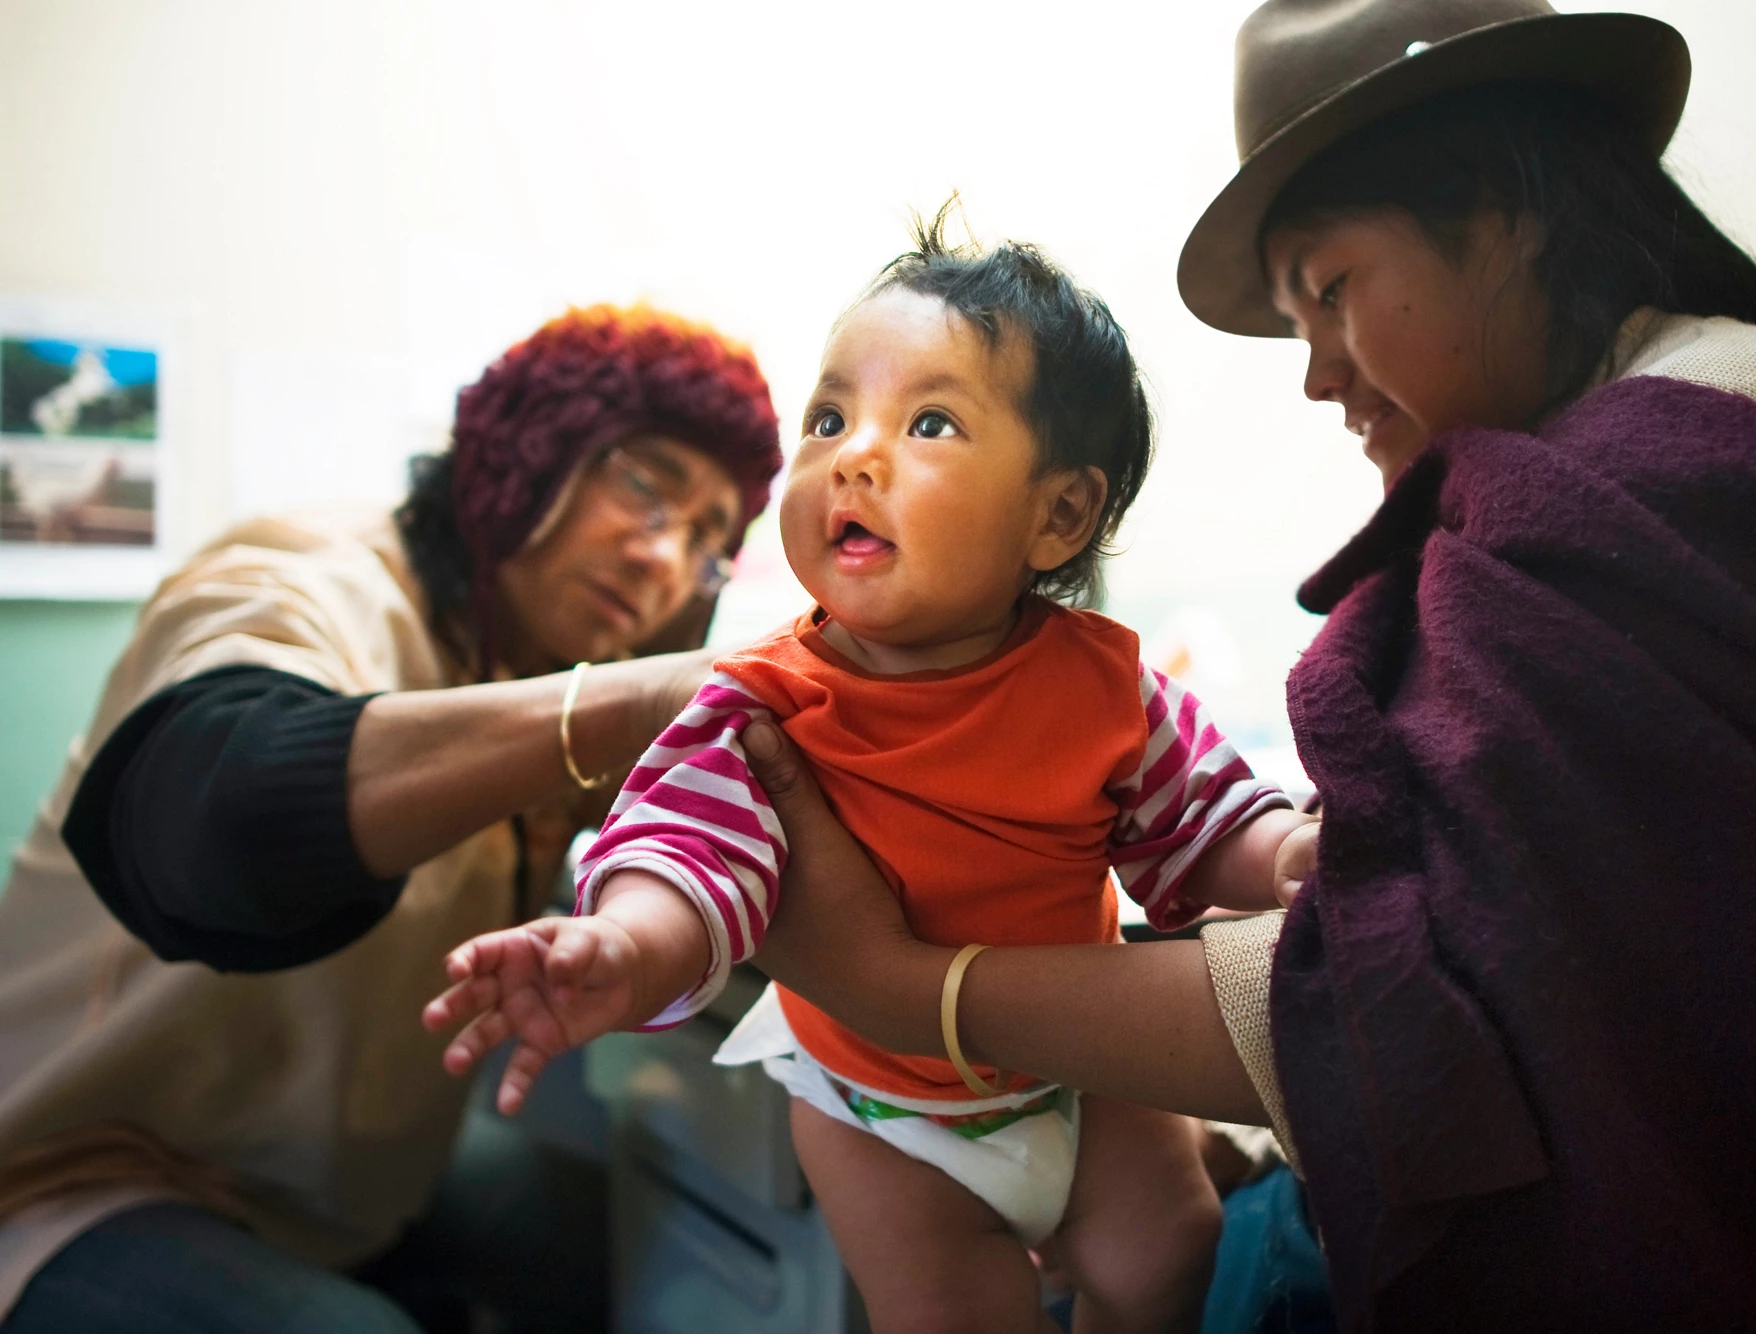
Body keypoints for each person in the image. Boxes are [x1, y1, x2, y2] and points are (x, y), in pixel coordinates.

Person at [698, 1, 1756, 1329]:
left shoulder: (1647, 485)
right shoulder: (1723, 404)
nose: (1317, 374)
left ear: (1504, 208)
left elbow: (1413, 981)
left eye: (1325, 292)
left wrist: (915, 989)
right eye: (832, 417)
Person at [425, 222, 1322, 1334]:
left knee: (1167, 1258)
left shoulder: (1103, 680)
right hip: (881, 1114)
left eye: (928, 422)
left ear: (1059, 514)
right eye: (830, 417)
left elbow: (1194, 816)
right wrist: (619, 943)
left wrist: (1279, 847)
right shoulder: (764, 702)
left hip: (1074, 1066)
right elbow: (684, 848)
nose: (853, 453)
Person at [0, 304, 783, 1332]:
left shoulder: (527, 654)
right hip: (81, 1171)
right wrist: (630, 695)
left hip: (326, 1184)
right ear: (529, 453)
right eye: (643, 483)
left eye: (705, 542)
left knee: (612, 1240)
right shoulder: (306, 577)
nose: (662, 558)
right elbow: (223, 810)